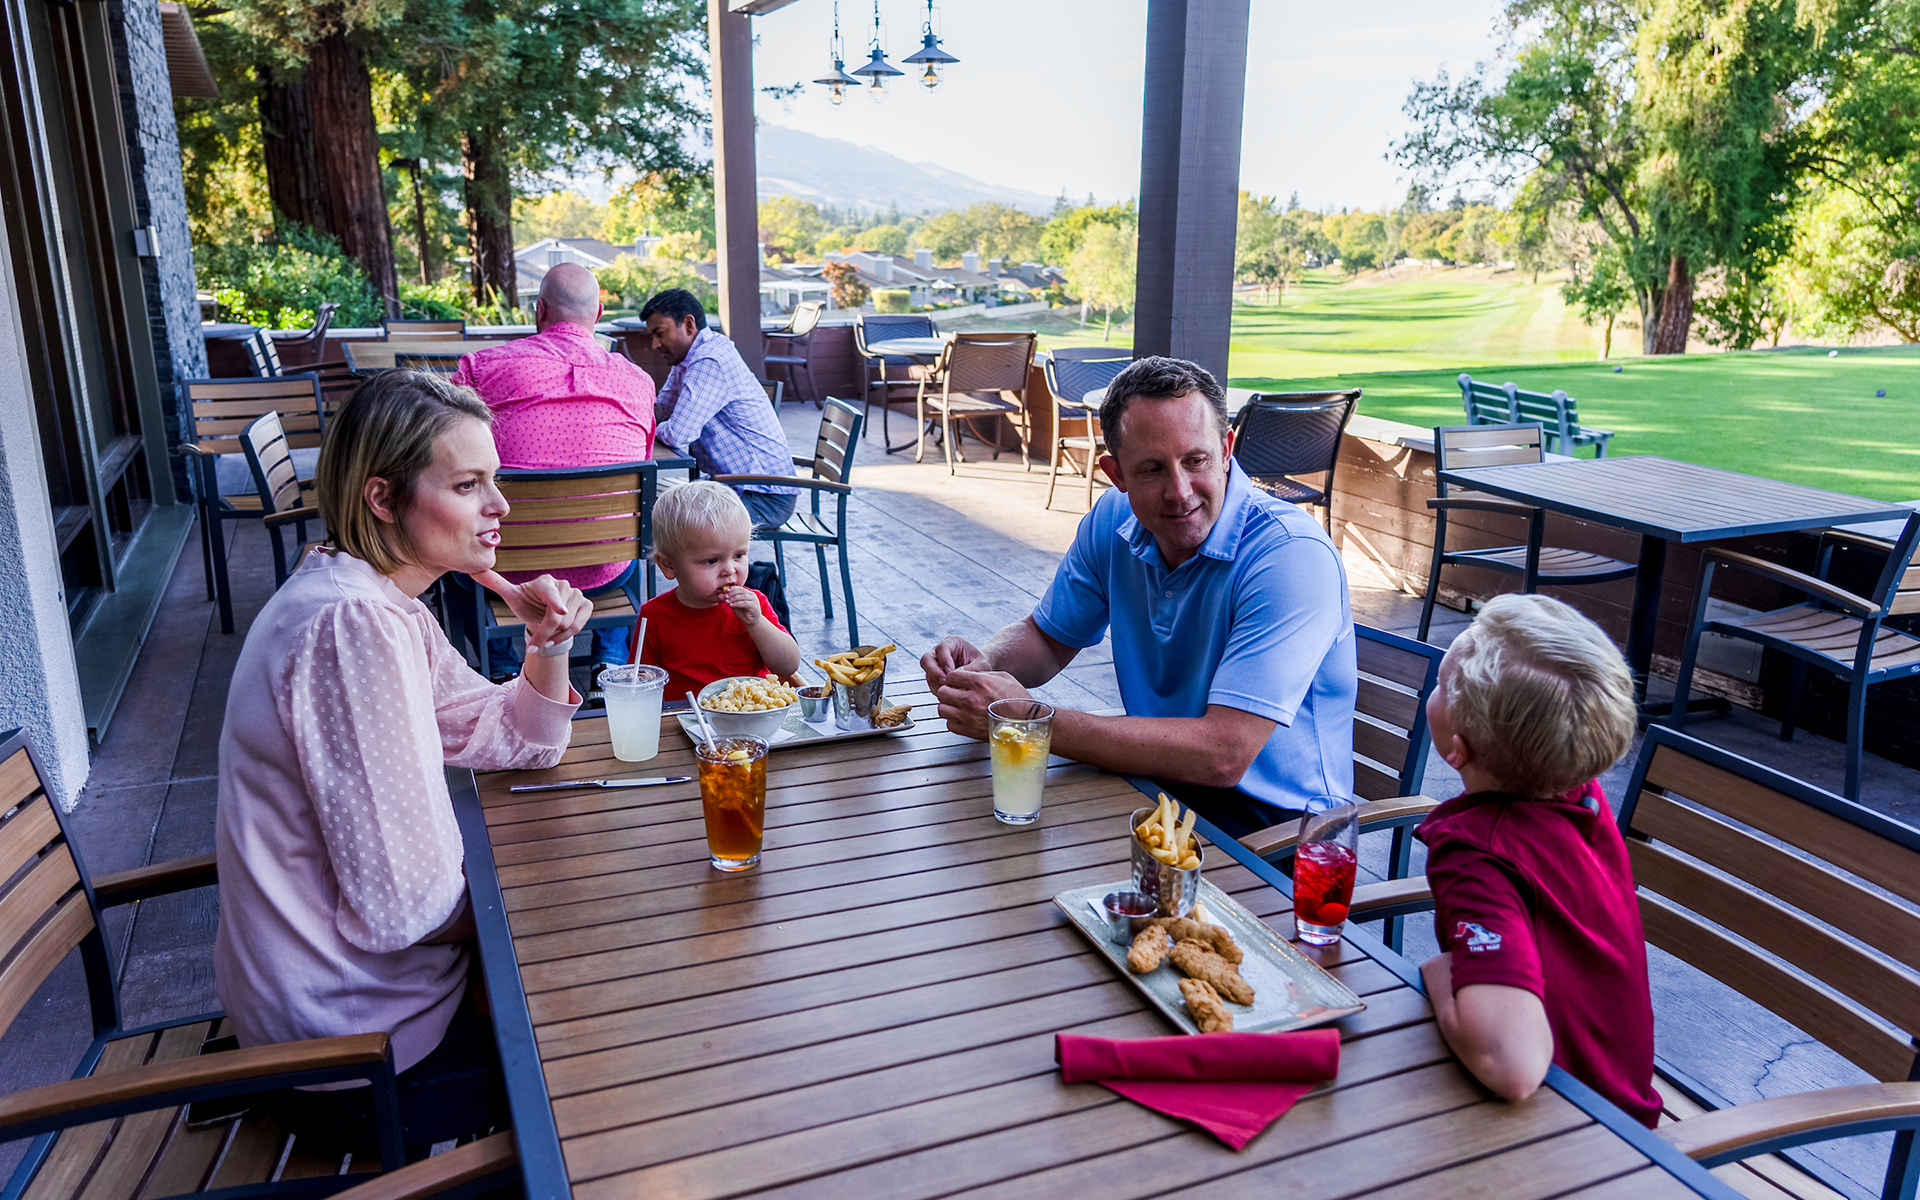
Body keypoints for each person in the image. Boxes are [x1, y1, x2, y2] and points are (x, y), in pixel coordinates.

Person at [214, 370, 594, 1159]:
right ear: (384, 499)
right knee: (608, 1036)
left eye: (494, 480)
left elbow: (518, 740)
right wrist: (553, 911)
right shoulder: (350, 625)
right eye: (467, 484)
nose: (500, 506)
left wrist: (547, 644)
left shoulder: (378, 603)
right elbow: (405, 909)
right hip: (362, 1062)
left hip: (345, 1020)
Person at [920, 355, 1357, 837]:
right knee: (971, 835)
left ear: (1226, 449)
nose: (1179, 491)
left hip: (1281, 826)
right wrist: (984, 665)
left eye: (1196, 461)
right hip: (1158, 783)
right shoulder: (1113, 519)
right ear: (1117, 475)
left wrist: (1029, 720)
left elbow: (1224, 755)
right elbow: (1047, 639)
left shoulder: (1290, 556)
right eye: (1152, 469)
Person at [1415, 593, 1658, 1126]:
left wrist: (1440, 972)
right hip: (1619, 1104)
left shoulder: (1477, 853)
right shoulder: (1579, 794)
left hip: (1576, 1134)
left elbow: (1513, 1067)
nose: (1433, 685)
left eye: (1439, 683)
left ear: (1457, 750)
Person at [452, 261, 656, 671]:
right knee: (627, 524)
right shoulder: (639, 381)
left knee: (449, 547)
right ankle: (610, 659)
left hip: (504, 563)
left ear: (540, 310)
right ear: (598, 314)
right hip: (604, 565)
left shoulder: (481, 368)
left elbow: (446, 453)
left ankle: (502, 664)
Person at [641, 287, 799, 534]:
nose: (655, 344)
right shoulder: (687, 360)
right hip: (733, 487)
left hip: (763, 497)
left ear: (689, 324)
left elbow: (676, 435)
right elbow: (661, 409)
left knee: (661, 521)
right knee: (647, 507)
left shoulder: (709, 359)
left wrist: (653, 425)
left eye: (660, 333)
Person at [631, 480, 801, 699]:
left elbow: (788, 666)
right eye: (712, 561)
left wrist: (757, 623)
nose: (730, 570)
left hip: (751, 714)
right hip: (687, 716)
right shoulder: (654, 616)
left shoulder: (754, 606)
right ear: (668, 565)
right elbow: (641, 682)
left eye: (739, 555)